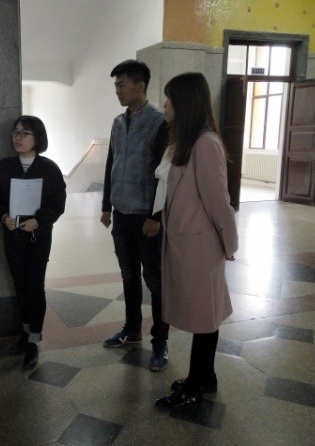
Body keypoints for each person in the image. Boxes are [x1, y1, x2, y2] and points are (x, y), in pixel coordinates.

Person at [154, 72, 238, 411]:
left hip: (201, 247)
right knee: (205, 313)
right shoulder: (187, 142)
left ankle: (194, 385)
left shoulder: (205, 144)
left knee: (204, 316)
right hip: (188, 244)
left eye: (170, 99)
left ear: (185, 103)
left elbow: (219, 202)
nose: (165, 105)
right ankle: (206, 377)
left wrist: (230, 244)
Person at [101, 59, 170, 371]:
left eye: (122, 85)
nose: (117, 90)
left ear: (140, 86)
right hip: (122, 213)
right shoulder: (118, 122)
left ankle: (160, 342)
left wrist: (157, 215)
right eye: (116, 85)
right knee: (128, 275)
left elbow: (164, 174)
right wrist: (106, 205)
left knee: (154, 280)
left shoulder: (159, 122)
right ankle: (132, 329)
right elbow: (111, 163)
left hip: (146, 216)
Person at [0, 116, 66, 370]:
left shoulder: (49, 168)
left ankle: (33, 341)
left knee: (35, 286)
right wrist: (3, 216)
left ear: (37, 137)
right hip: (13, 235)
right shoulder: (5, 166)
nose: (17, 138)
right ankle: (25, 332)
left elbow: (57, 204)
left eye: (24, 133)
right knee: (20, 286)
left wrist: (38, 221)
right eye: (15, 133)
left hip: (38, 236)